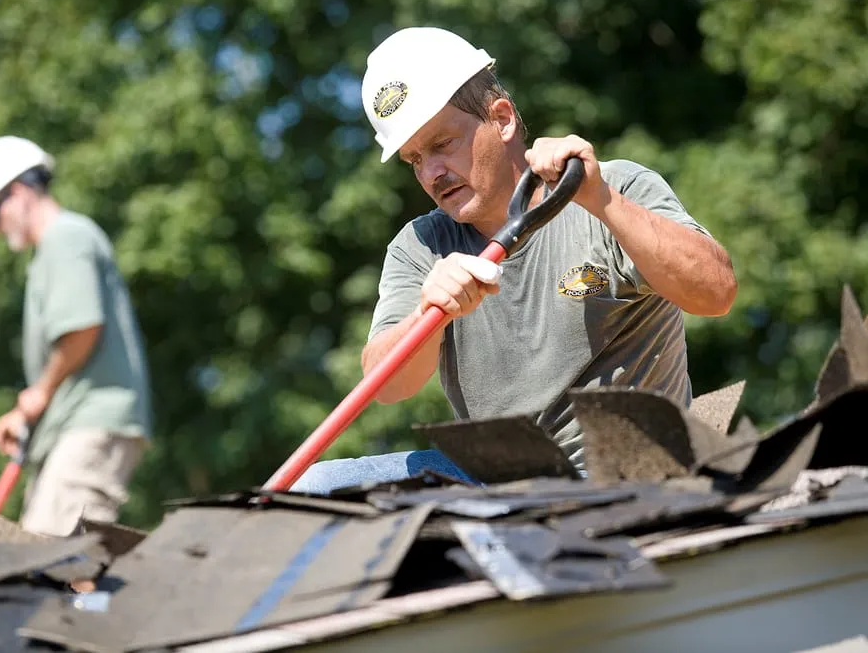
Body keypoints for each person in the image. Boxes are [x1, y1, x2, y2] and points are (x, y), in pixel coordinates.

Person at [291, 27, 737, 494]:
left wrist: (599, 198)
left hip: (633, 471)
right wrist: (431, 312)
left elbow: (716, 291)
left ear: (501, 118)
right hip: (498, 482)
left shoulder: (610, 189)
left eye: (442, 144)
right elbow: (387, 385)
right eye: (414, 159)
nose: (431, 173)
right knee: (313, 488)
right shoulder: (422, 246)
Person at [0, 135, 153, 536]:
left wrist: (37, 396)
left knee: (50, 566)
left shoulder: (65, 238)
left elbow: (81, 329)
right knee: (42, 563)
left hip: (89, 421)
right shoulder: (56, 247)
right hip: (74, 426)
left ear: (18, 193)